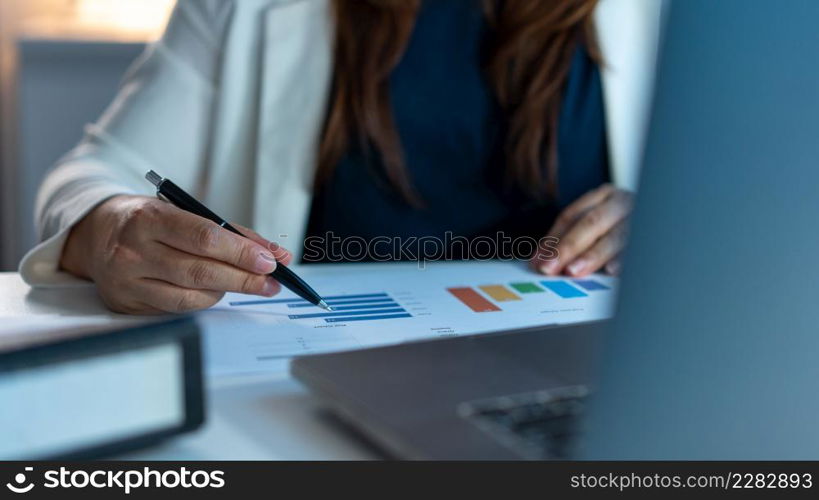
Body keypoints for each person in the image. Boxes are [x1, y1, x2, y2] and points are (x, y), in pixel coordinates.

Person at [20, 0, 664, 314]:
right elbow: (88, 174)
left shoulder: (665, 14)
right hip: (310, 392)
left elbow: (748, 204)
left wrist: (674, 217)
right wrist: (111, 229)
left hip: (590, 381)